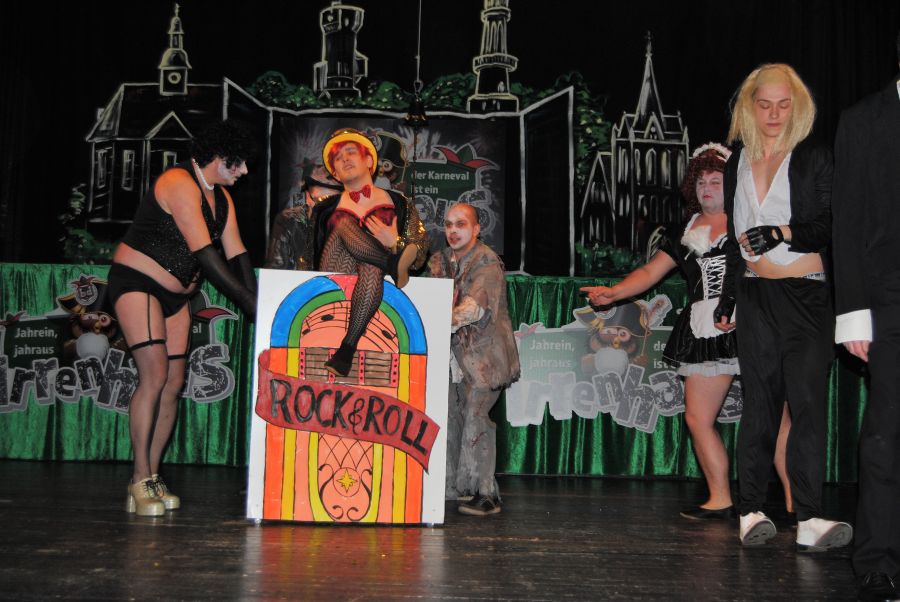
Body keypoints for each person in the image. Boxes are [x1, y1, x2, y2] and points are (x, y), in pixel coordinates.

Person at [581, 143, 793, 521]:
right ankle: (720, 498)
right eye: (701, 182)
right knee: (697, 418)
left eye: (715, 180)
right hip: (705, 328)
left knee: (777, 420)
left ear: (733, 183)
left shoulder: (752, 220)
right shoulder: (685, 230)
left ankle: (799, 506)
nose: (707, 188)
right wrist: (613, 293)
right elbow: (650, 272)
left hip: (754, 321)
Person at [715, 63, 852, 550]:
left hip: (807, 297)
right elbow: (734, 236)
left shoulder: (814, 155)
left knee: (808, 406)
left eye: (783, 104)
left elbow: (831, 224)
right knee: (759, 407)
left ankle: (809, 518)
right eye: (764, 104)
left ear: (798, 108)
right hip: (756, 296)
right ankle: (750, 511)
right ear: (749, 108)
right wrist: (729, 296)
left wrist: (782, 232)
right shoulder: (737, 161)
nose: (774, 114)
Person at [107, 120, 258, 516]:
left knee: (174, 383)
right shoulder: (179, 182)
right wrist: (248, 302)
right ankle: (139, 477)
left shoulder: (222, 199)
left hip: (177, 297)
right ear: (218, 157)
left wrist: (259, 302)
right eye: (238, 163)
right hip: (138, 282)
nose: (244, 171)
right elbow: (206, 256)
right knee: (154, 375)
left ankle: (152, 476)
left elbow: (238, 254)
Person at [832, 33, 900, 601]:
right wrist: (854, 313)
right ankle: (877, 557)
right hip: (888, 299)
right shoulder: (862, 121)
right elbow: (847, 221)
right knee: (886, 432)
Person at [307, 128, 426, 377]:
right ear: (335, 173)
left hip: (373, 284)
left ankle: (345, 351)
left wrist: (394, 241)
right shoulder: (324, 209)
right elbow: (308, 253)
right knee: (343, 223)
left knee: (370, 267)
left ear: (370, 161)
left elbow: (419, 254)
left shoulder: (400, 203)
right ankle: (390, 263)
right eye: (338, 158)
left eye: (351, 152)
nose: (344, 159)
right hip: (336, 273)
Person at [428, 203, 520, 516]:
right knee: (451, 415)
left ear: (477, 229)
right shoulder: (440, 260)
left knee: (477, 416)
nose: (453, 231)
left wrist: (430, 321)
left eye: (461, 224)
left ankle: (486, 493)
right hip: (453, 356)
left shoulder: (487, 262)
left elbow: (471, 310)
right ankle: (453, 486)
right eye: (448, 224)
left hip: (485, 359)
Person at [264, 164, 342, 270]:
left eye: (331, 200)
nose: (325, 206)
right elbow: (276, 267)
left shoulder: (346, 223)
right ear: (307, 196)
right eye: (320, 200)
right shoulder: (288, 220)